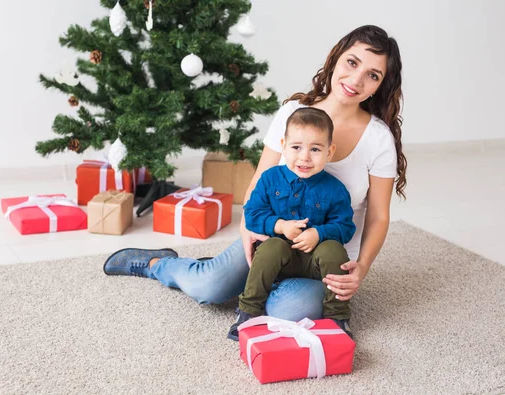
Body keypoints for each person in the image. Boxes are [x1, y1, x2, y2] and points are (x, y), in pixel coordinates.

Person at [103, 25, 408, 338]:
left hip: (324, 256)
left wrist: (362, 268)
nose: (356, 80)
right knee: (208, 287)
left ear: (380, 86)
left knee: (285, 311)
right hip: (271, 237)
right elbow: (261, 179)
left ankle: (262, 285)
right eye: (352, 62)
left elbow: (378, 217)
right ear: (336, 59)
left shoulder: (378, 139)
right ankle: (160, 264)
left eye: (373, 75)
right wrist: (249, 228)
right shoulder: (294, 113)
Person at [229, 106, 356, 341]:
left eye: (315, 149)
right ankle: (248, 311)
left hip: (314, 264)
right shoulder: (270, 179)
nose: (305, 157)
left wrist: (319, 233)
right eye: (296, 147)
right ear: (283, 146)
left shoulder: (335, 189)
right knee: (271, 247)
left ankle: (337, 317)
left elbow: (346, 227)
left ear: (330, 151)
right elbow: (252, 214)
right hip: (279, 258)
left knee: (334, 250)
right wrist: (280, 226)